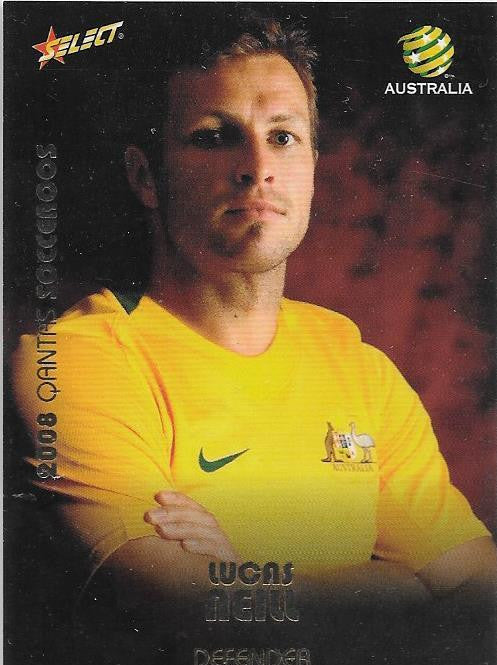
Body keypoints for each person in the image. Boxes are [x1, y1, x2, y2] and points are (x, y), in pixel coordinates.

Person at [12, 14, 496, 614]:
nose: (257, 166)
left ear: (312, 168)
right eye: (215, 136)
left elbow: (478, 589)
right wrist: (398, 587)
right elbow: (186, 608)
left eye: (283, 137)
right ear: (146, 176)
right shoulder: (74, 361)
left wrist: (243, 570)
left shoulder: (359, 369)